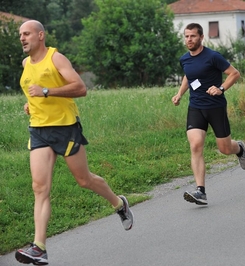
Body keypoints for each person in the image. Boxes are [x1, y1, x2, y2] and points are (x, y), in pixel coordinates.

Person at [15, 20, 134, 265]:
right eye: (20, 35)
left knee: (84, 180)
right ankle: (39, 247)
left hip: (65, 127)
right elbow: (32, 91)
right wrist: (31, 103)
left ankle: (119, 203)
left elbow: (80, 88)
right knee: (40, 188)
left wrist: (47, 92)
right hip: (38, 130)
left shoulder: (56, 58)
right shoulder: (26, 63)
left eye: (26, 34)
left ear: (40, 35)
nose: (22, 38)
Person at [171, 23, 245, 205]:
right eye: (187, 36)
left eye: (193, 36)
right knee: (196, 145)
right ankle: (201, 191)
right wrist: (180, 94)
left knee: (225, 149)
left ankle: (239, 148)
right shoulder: (184, 59)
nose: (189, 39)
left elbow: (234, 74)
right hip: (196, 107)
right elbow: (188, 76)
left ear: (201, 37)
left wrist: (221, 88)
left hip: (215, 107)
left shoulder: (213, 56)